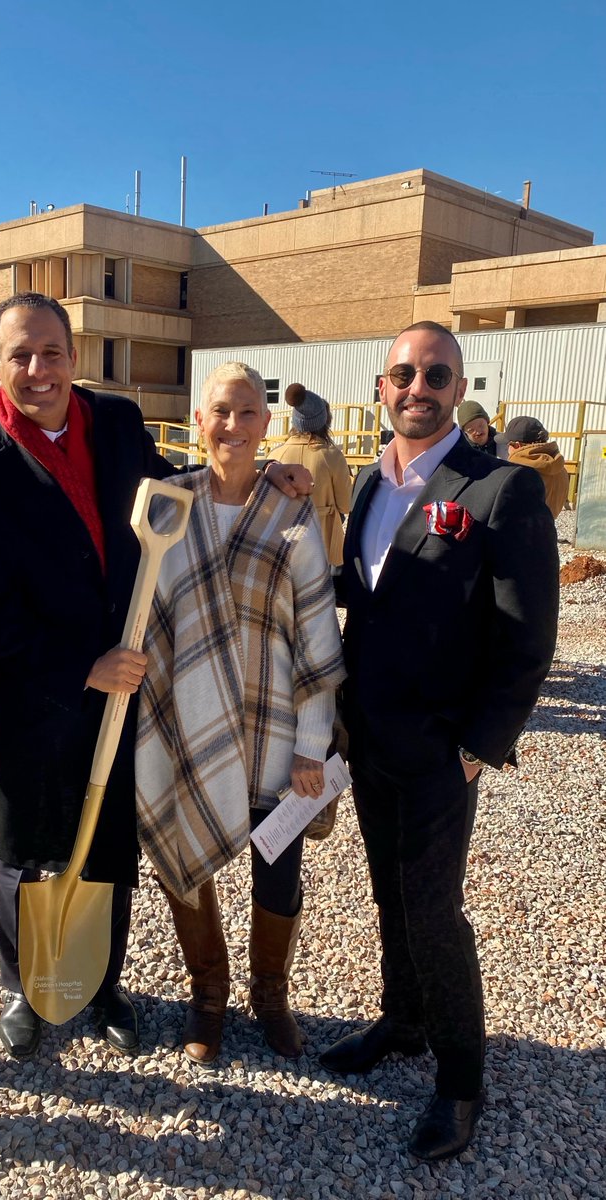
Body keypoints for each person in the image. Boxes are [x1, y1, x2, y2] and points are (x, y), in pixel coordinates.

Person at [0, 292, 310, 1062]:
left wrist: (256, 466)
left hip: (127, 689)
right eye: (21, 355)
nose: (39, 370)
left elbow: (171, 492)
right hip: (37, 689)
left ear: (74, 356)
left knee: (111, 841)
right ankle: (23, 985)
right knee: (24, 845)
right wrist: (78, 665)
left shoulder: (113, 422)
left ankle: (106, 983)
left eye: (52, 352)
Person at [320, 321, 558, 1161]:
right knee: (386, 890)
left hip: (439, 747)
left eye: (434, 374)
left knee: (433, 908)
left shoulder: (499, 490)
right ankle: (403, 1020)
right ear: (379, 388)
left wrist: (477, 748)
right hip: (368, 732)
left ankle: (460, 1081)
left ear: (458, 388)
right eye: (401, 374)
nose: (415, 387)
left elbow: (527, 637)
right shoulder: (367, 482)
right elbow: (366, 590)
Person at [136, 363, 345, 1066]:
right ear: (199, 420)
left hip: (275, 729)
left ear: (266, 423)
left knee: (276, 863)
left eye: (247, 411)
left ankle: (271, 995)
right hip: (184, 721)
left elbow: (316, 634)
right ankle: (208, 996)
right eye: (220, 411)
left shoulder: (291, 513)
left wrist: (312, 746)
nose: (232, 425)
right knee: (184, 860)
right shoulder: (168, 504)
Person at [267, 383, 352, 565]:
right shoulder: (332, 456)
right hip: (323, 543)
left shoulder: (274, 456)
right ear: (324, 421)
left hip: (283, 544)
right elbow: (346, 505)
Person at [494, 415, 569, 518]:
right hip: (548, 530)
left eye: (508, 444)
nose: (507, 449)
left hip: (517, 532)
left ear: (517, 445)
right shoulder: (561, 469)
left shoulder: (515, 473)